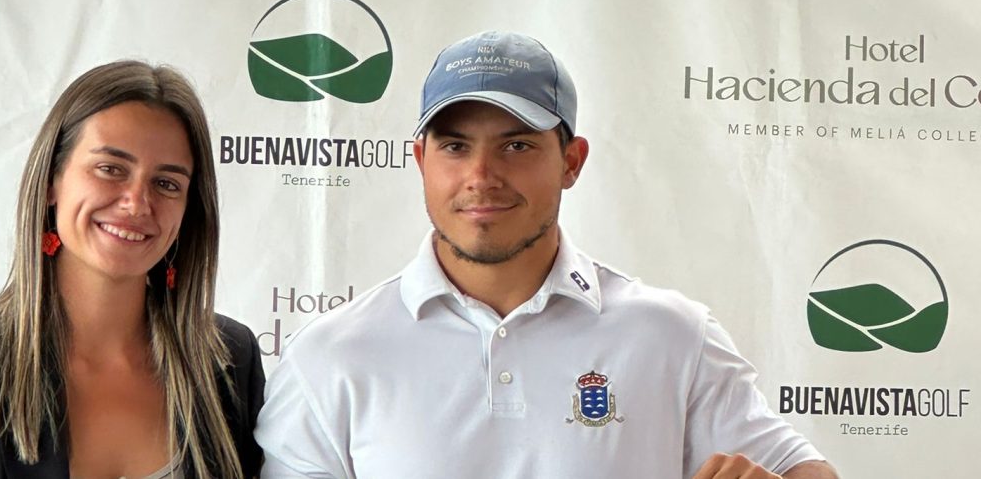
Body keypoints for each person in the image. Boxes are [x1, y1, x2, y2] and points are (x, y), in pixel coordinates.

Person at [255, 32, 838, 478]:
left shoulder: (672, 335)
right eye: (455, 146)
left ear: (571, 161)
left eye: (516, 145)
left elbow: (803, 471)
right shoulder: (331, 356)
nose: (481, 177)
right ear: (421, 161)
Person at [0, 61, 265, 478]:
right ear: (52, 180)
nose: (136, 203)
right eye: (111, 169)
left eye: (166, 183)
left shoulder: (229, 361)